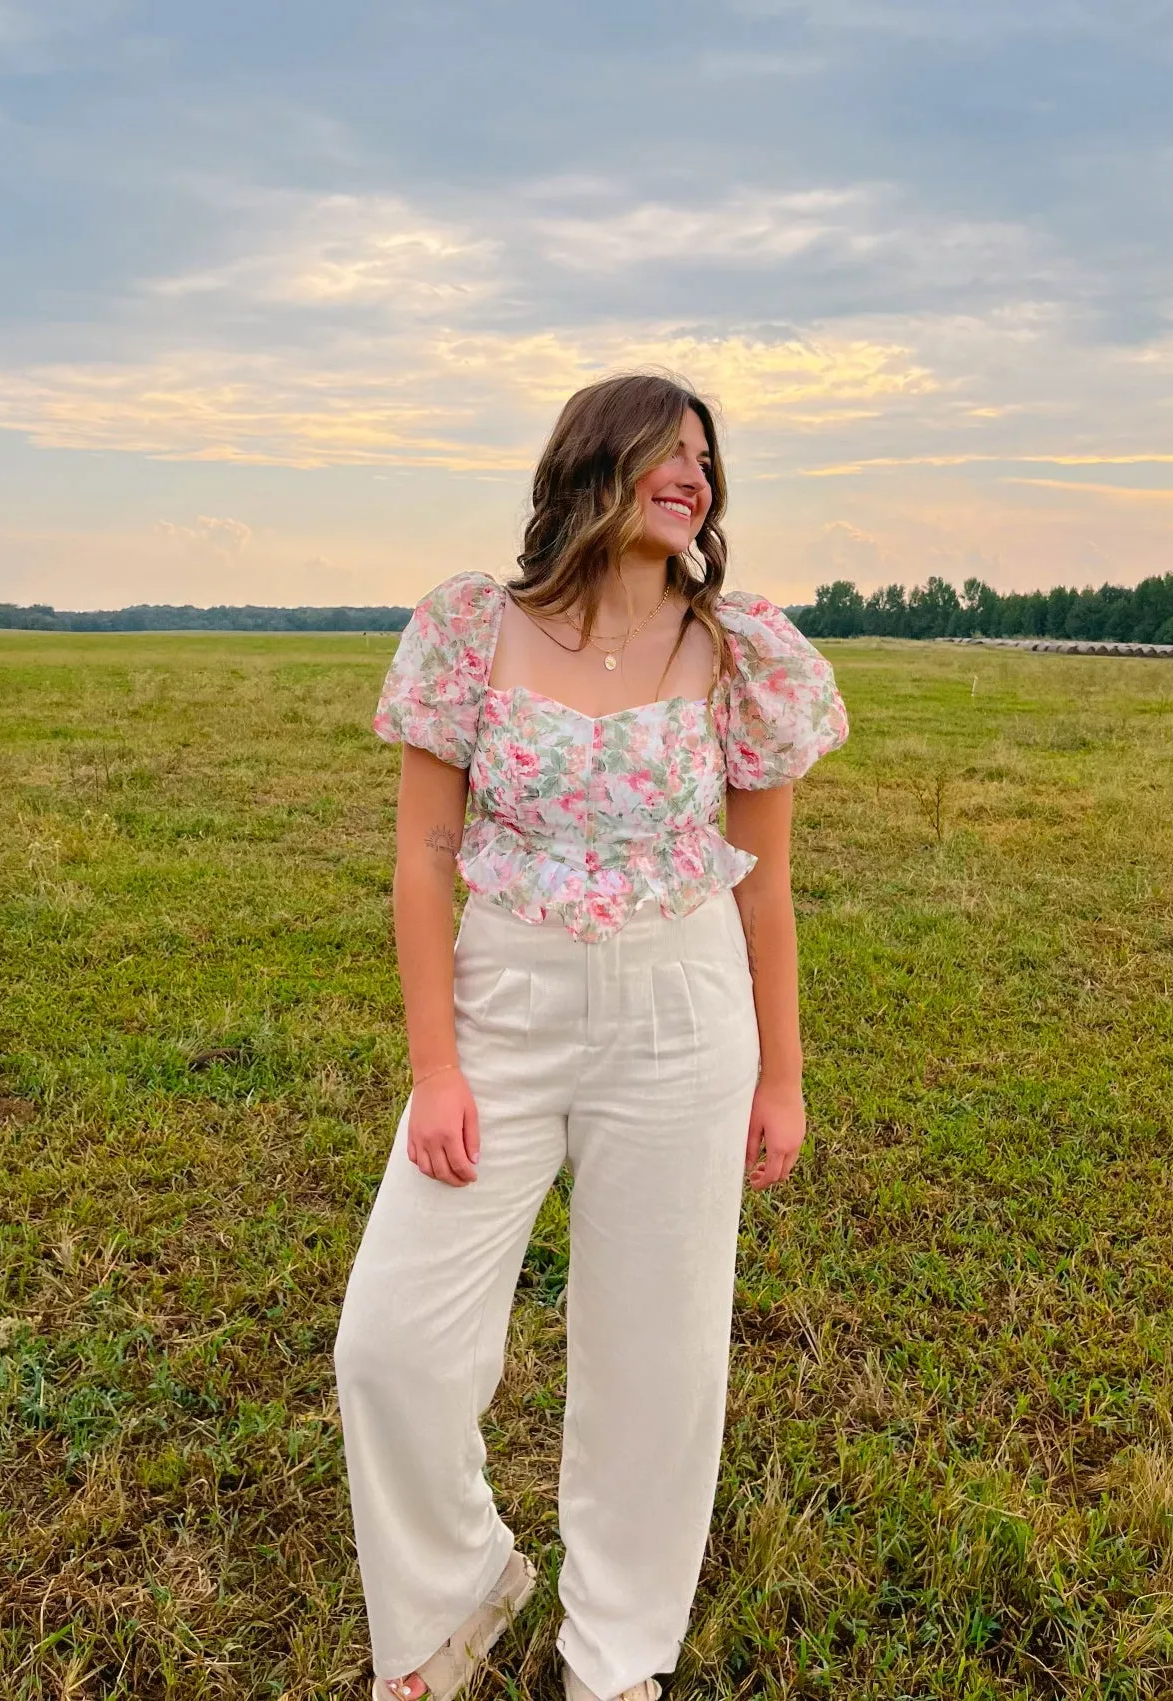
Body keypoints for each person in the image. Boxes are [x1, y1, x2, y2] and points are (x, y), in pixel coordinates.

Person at [333, 372, 850, 1701]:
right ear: (592, 463)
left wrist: (782, 1077)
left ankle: (616, 1656)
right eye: (667, 452)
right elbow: (420, 859)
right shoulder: (468, 629)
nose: (696, 475)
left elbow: (768, 884)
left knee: (657, 1354)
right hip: (504, 1005)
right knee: (392, 1345)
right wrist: (436, 1067)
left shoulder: (742, 655)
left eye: (707, 460)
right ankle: (453, 1602)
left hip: (684, 1012)